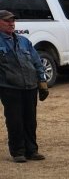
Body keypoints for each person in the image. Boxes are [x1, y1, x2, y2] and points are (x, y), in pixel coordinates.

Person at [0, 9, 50, 163]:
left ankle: (32, 151)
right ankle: (18, 152)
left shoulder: (23, 41)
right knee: (15, 120)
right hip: (9, 88)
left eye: (13, 21)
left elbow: (36, 61)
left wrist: (42, 82)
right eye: (7, 21)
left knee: (30, 120)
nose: (11, 23)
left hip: (29, 86)